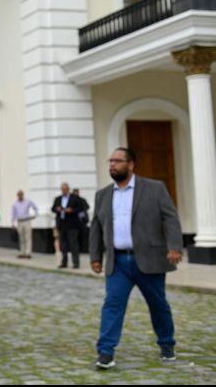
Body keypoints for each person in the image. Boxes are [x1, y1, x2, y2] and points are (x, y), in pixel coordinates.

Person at [89, 147, 183, 370]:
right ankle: (105, 352)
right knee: (112, 305)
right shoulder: (103, 195)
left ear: (131, 165)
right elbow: (96, 227)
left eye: (118, 161)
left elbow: (170, 218)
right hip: (118, 262)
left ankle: (167, 345)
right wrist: (95, 256)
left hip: (149, 259)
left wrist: (175, 247)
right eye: (110, 161)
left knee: (158, 305)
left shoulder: (154, 188)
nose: (112, 165)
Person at [51, 183, 83, 269]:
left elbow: (81, 208)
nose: (64, 190)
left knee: (73, 244)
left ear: (68, 189)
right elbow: (53, 208)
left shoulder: (75, 198)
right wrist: (57, 209)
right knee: (63, 245)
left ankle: (76, 263)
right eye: (62, 189)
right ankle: (64, 262)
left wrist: (71, 210)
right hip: (62, 224)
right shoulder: (58, 199)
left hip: (72, 225)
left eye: (65, 189)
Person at [11, 190, 38, 259]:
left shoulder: (28, 202)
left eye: (21, 194)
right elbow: (13, 213)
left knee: (28, 237)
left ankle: (28, 253)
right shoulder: (15, 204)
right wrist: (13, 222)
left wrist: (35, 215)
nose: (20, 196)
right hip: (19, 221)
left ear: (23, 195)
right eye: (18, 195)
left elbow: (35, 207)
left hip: (27, 221)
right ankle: (22, 252)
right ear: (17, 195)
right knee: (21, 238)